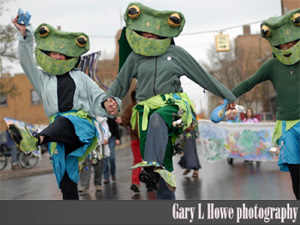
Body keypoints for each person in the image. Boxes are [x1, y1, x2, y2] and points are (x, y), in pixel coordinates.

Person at [106, 2, 236, 199]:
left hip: (172, 109)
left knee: (158, 118)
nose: (148, 35)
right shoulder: (135, 57)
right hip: (144, 114)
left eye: (153, 32)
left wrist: (228, 95)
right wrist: (107, 101)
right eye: (144, 31)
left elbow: (203, 76)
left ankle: (151, 166)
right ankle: (161, 182)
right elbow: (119, 85)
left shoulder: (176, 54)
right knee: (162, 160)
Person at [11, 16, 120, 200]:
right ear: (47, 53)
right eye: (55, 53)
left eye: (63, 54)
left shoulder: (81, 78)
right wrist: (25, 35)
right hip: (57, 134)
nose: (59, 57)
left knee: (65, 119)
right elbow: (26, 62)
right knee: (66, 182)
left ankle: (36, 140)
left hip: (81, 127)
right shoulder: (42, 79)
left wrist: (107, 103)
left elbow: (99, 96)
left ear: (71, 56)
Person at [229, 9, 300, 199]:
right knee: (296, 172)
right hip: (286, 124)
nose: (287, 48)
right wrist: (229, 96)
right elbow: (248, 83)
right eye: (282, 45)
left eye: (291, 43)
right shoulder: (272, 66)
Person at [116, 90, 144, 193]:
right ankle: (151, 183)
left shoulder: (130, 107)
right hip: (144, 138)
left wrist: (122, 121)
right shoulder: (147, 105)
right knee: (149, 160)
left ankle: (135, 182)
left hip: (136, 138)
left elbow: (125, 120)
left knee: (138, 161)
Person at [78, 116, 110, 193]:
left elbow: (104, 127)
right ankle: (84, 185)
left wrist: (105, 137)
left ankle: (98, 184)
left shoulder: (99, 116)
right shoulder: (83, 116)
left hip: (98, 144)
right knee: (85, 165)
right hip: (86, 145)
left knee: (98, 166)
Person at [103, 117, 120, 184]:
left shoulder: (111, 114)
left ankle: (113, 173)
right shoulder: (100, 114)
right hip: (103, 139)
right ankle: (106, 177)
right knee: (104, 158)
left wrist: (117, 138)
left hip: (112, 138)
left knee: (112, 157)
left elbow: (116, 127)